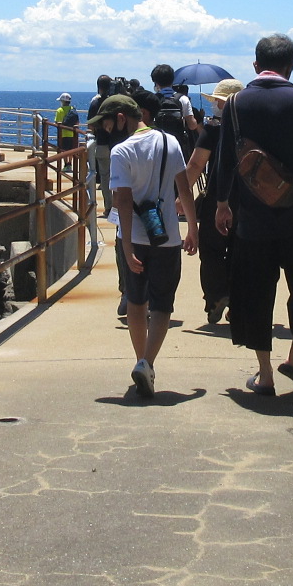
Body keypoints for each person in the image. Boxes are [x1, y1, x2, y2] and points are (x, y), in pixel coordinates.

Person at [214, 34, 293, 394]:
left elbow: (226, 163)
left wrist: (221, 204)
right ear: (291, 66)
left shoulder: (234, 105)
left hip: (252, 221)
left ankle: (264, 373)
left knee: (255, 292)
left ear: (255, 65)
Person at [97, 87, 198, 397]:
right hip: (167, 237)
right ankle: (147, 362)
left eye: (108, 123)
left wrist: (125, 247)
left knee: (136, 304)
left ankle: (141, 361)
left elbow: (123, 202)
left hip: (135, 240)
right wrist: (192, 228)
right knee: (163, 304)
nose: (105, 130)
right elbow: (184, 188)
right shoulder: (170, 142)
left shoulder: (120, 152)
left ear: (121, 118)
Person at [183, 77, 241, 328]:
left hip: (216, 197)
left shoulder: (214, 128)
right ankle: (239, 304)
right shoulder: (252, 128)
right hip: (249, 201)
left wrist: (180, 196)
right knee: (242, 253)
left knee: (211, 249)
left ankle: (217, 296)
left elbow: (196, 164)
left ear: (221, 102)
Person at [148, 64, 196, 155]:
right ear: (172, 80)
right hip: (177, 145)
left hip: (157, 146)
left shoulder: (151, 100)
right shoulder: (183, 99)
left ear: (156, 82)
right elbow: (192, 125)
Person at [86, 73, 114, 213]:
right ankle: (119, 206)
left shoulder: (95, 103)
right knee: (120, 176)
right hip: (117, 145)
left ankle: (109, 206)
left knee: (105, 177)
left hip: (102, 145)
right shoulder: (116, 103)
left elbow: (90, 126)